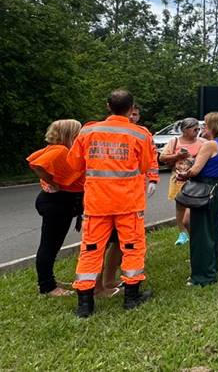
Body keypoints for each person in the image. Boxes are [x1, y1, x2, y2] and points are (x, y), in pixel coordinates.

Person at [66, 89, 157, 318]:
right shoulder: (140, 135)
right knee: (132, 249)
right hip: (129, 203)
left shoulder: (88, 131)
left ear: (108, 106)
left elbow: (74, 165)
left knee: (90, 250)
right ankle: (131, 298)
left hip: (97, 203)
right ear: (131, 108)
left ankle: (85, 305)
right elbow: (146, 165)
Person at [96, 103, 158, 298]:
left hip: (130, 198)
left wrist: (153, 179)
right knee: (100, 244)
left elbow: (151, 159)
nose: (133, 117)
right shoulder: (102, 132)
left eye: (137, 115)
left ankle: (109, 279)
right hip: (104, 198)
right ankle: (98, 286)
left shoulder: (141, 133)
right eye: (131, 114)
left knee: (122, 244)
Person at [27, 119, 85, 297]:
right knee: (50, 245)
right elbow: (37, 164)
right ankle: (47, 286)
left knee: (52, 244)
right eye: (77, 131)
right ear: (69, 133)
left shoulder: (59, 149)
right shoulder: (59, 150)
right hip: (58, 203)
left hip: (61, 202)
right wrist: (52, 181)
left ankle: (48, 281)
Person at [176, 112, 218, 286]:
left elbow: (195, 170)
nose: (202, 128)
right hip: (217, 190)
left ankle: (202, 276)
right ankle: (212, 267)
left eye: (205, 125)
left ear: (213, 127)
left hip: (204, 190)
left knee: (201, 233)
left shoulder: (210, 145)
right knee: (213, 231)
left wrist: (183, 175)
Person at [159, 118, 205, 245]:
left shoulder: (202, 142)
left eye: (198, 129)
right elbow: (162, 157)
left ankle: (194, 233)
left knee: (192, 208)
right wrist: (177, 156)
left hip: (195, 180)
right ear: (184, 130)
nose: (197, 131)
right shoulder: (174, 141)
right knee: (180, 207)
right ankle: (183, 233)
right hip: (177, 180)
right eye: (194, 129)